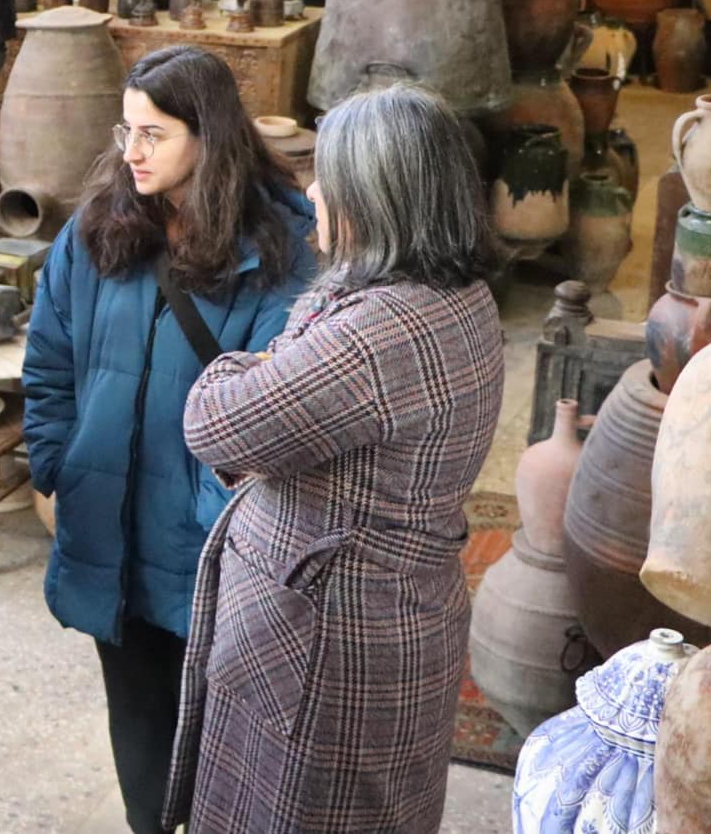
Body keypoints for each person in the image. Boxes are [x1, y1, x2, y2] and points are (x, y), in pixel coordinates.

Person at [165, 83, 506, 834]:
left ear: (378, 198)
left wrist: (235, 367)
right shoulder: (459, 295)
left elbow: (214, 423)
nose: (314, 192)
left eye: (330, 177)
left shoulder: (378, 332)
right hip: (387, 617)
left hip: (327, 644)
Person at [21, 45, 315, 834]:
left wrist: (220, 502)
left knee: (227, 750)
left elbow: (278, 400)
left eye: (154, 134)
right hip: (109, 532)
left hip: (211, 545)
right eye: (127, 131)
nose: (133, 152)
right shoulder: (97, 230)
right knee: (140, 740)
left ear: (208, 136)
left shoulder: (280, 248)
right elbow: (47, 360)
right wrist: (56, 465)